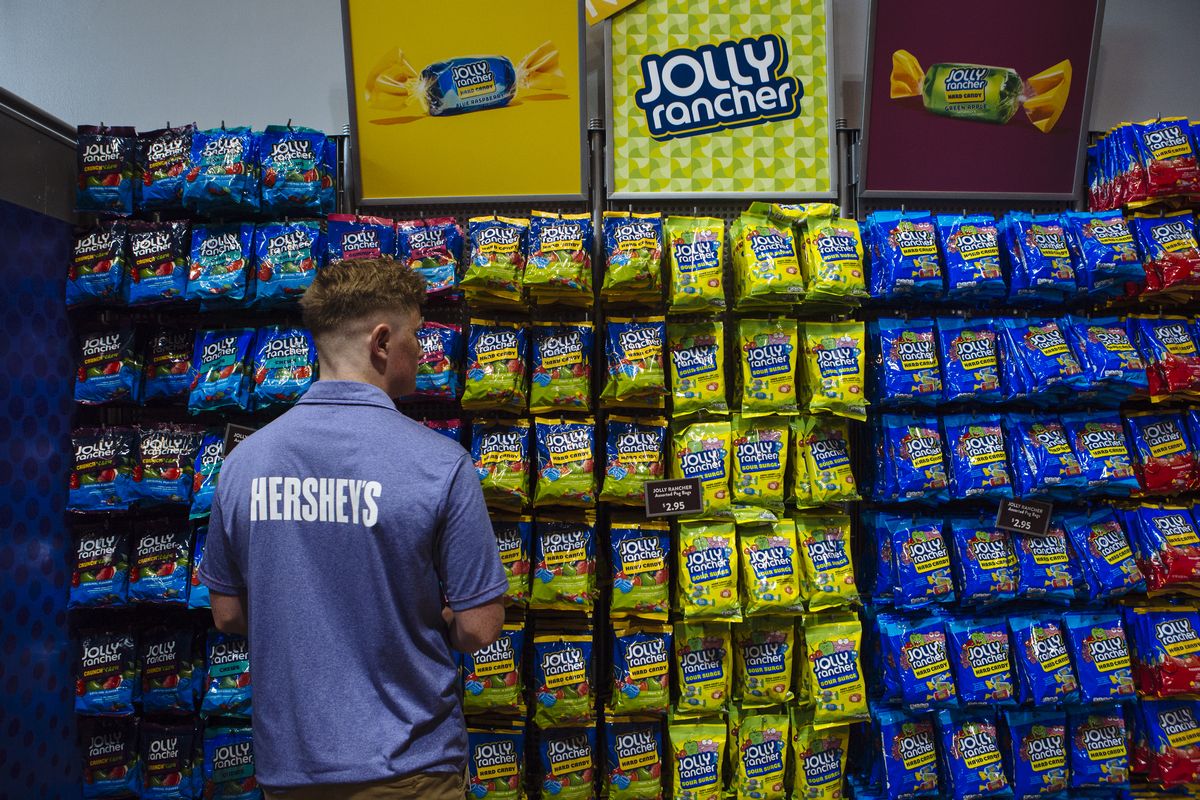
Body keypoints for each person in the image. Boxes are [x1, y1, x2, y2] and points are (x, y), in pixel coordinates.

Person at [199, 257, 507, 800]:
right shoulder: (441, 464)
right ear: (382, 342)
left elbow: (227, 613)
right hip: (412, 768)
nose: (423, 350)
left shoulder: (244, 464)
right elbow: (479, 628)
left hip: (291, 771)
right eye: (417, 335)